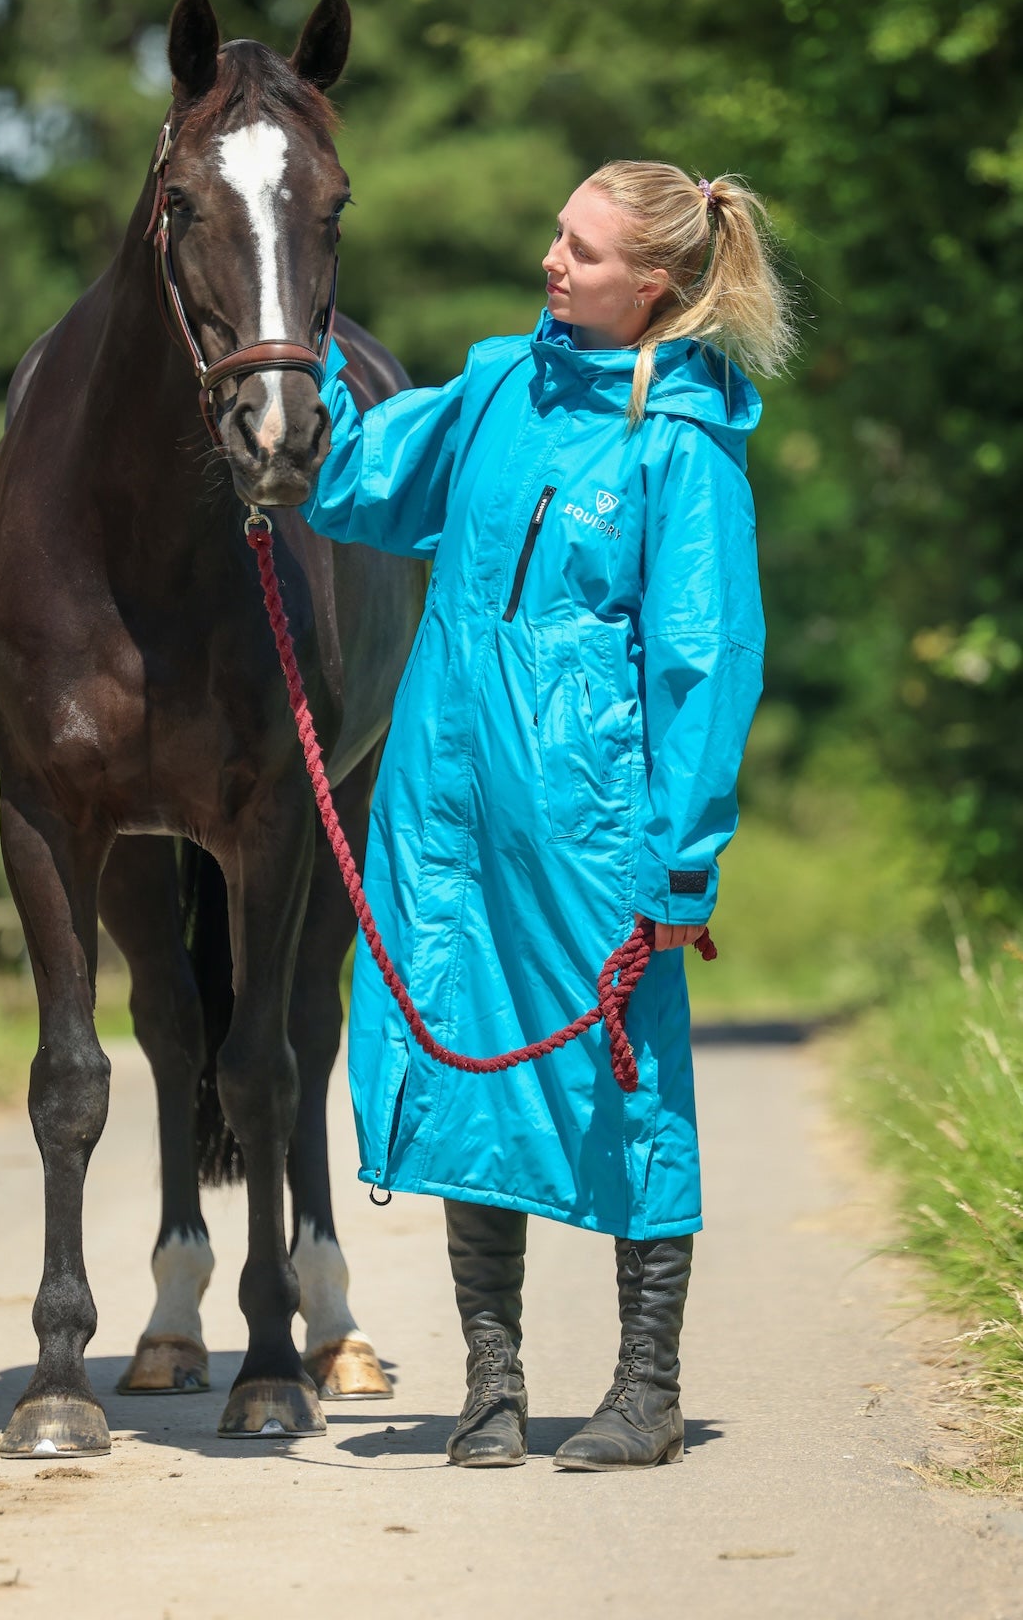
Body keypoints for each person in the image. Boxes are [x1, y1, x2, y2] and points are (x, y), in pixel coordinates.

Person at [301, 160, 795, 1470]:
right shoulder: (498, 386)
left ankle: (645, 1390)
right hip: (443, 812)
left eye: (581, 250)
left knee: (626, 1086)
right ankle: (492, 1388)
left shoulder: (682, 454)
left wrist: (681, 870)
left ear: (659, 285)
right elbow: (360, 482)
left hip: (593, 829)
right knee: (460, 1063)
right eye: (555, 235)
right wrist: (290, 414)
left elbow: (706, 662)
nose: (550, 261)